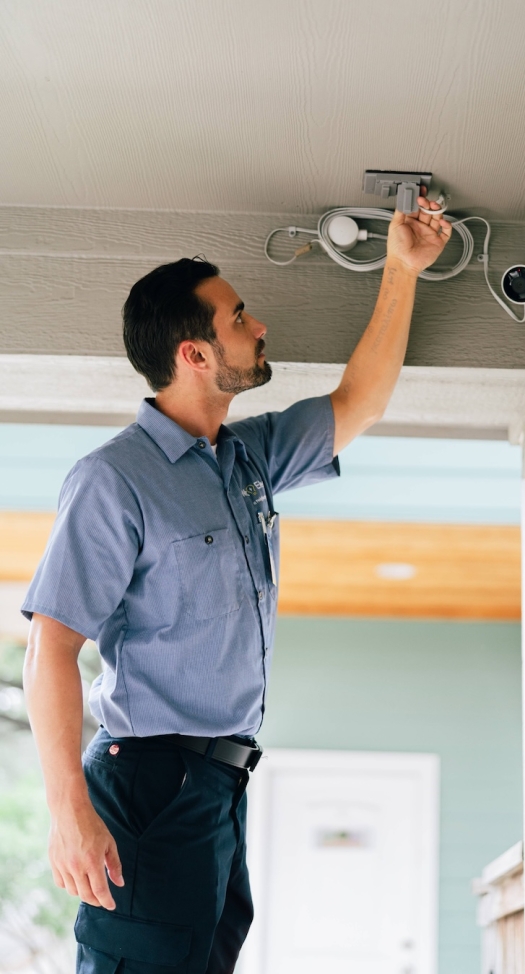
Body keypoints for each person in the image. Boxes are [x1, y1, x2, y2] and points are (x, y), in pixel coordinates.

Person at [21, 195, 451, 974]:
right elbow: (51, 646)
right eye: (239, 317)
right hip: (149, 783)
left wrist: (401, 267)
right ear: (193, 354)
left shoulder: (247, 459)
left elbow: (360, 402)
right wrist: (68, 815)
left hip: (221, 785)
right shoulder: (115, 480)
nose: (259, 328)